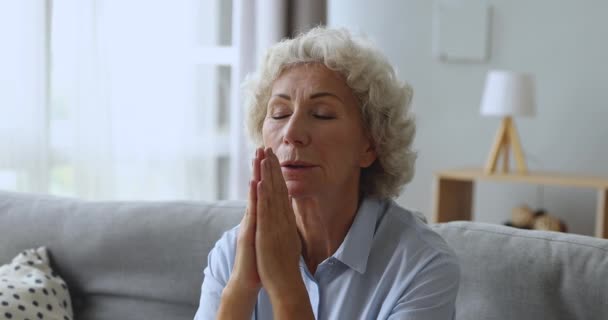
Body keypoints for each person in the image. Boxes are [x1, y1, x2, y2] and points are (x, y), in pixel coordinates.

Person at [193, 27, 460, 320]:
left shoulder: (422, 265)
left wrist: (285, 285)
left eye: (322, 114)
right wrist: (241, 288)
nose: (291, 133)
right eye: (279, 113)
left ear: (370, 145)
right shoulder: (233, 252)